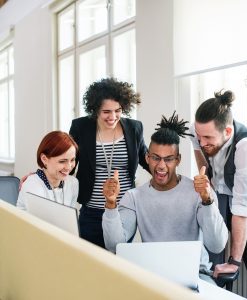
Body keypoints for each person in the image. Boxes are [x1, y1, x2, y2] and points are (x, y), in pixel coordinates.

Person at [102, 112, 228, 284]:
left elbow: (217, 245)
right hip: (153, 275)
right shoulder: (133, 197)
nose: (161, 166)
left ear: (178, 160)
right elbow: (114, 244)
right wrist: (110, 204)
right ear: (147, 158)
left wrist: (207, 201)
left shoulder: (199, 192)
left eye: (168, 159)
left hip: (195, 274)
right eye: (155, 158)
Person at [189, 90, 247, 299]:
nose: (202, 142)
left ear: (228, 131)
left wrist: (234, 262)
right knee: (213, 265)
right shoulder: (198, 130)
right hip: (219, 192)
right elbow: (200, 153)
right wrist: (207, 178)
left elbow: (241, 209)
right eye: (199, 136)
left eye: (208, 138)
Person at [69, 78, 149, 248]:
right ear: (95, 109)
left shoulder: (134, 128)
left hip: (124, 210)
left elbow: (147, 160)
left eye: (118, 110)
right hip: (91, 211)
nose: (113, 117)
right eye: (106, 111)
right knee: (90, 261)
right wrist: (43, 176)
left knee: (118, 259)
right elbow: (67, 162)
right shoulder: (81, 127)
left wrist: (173, 177)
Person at [17, 131, 79, 210]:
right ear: (44, 159)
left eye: (72, 160)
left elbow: (70, 218)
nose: (68, 167)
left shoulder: (73, 183)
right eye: (62, 161)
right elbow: (41, 221)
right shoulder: (32, 186)